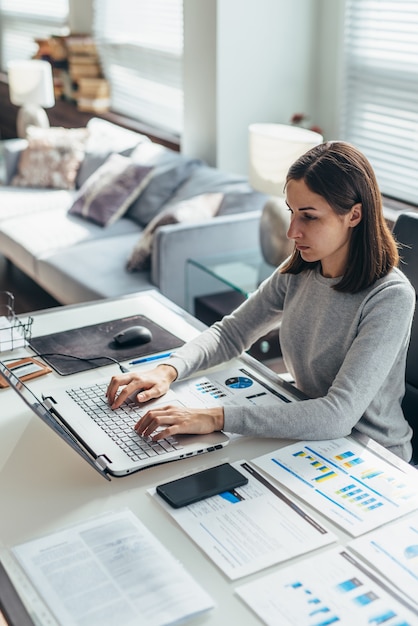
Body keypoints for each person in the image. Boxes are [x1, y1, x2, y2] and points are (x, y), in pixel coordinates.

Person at [107, 141, 416, 462]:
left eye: (309, 217)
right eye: (292, 212)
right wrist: (168, 369)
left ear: (354, 215)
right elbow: (231, 333)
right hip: (307, 430)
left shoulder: (389, 297)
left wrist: (215, 417)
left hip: (371, 454)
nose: (292, 231)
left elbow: (338, 414)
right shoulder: (301, 270)